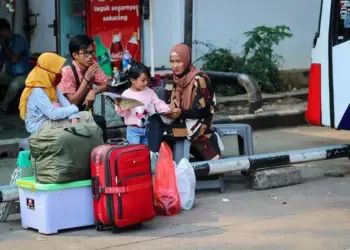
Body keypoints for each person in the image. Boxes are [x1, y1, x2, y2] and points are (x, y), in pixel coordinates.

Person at [148, 43, 221, 161]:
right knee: (155, 119)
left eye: (179, 61)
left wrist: (180, 112)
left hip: (198, 124)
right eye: (172, 61)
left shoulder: (199, 79)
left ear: (187, 60)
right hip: (182, 119)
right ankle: (155, 159)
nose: (175, 65)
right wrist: (171, 107)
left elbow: (203, 112)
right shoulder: (176, 79)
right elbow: (173, 101)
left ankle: (161, 164)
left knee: (164, 133)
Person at [19, 52, 94, 134]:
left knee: (86, 117)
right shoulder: (37, 89)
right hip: (39, 125)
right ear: (49, 71)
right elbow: (53, 114)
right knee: (86, 118)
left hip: (52, 120)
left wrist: (74, 119)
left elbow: (66, 105)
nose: (60, 72)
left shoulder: (50, 84)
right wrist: (74, 108)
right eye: (57, 69)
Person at [58, 34, 109, 141]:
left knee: (99, 122)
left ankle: (101, 154)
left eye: (91, 52)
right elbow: (72, 102)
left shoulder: (92, 64)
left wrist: (94, 90)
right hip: (65, 115)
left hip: (82, 112)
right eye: (86, 53)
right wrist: (86, 79)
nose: (90, 56)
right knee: (98, 121)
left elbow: (106, 84)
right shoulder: (67, 71)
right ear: (75, 55)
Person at [115, 62, 172, 145]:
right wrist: (119, 106)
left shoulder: (150, 92)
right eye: (143, 80)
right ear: (132, 80)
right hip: (133, 130)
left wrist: (168, 108)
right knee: (135, 153)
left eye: (147, 80)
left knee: (146, 153)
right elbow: (123, 113)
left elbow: (158, 103)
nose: (146, 83)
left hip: (148, 129)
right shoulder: (126, 94)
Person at [0, 18, 32, 116]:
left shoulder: (18, 39)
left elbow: (14, 59)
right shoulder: (5, 43)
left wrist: (3, 45)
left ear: (5, 30)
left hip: (23, 75)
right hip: (10, 74)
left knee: (13, 86)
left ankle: (3, 107)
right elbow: (1, 62)